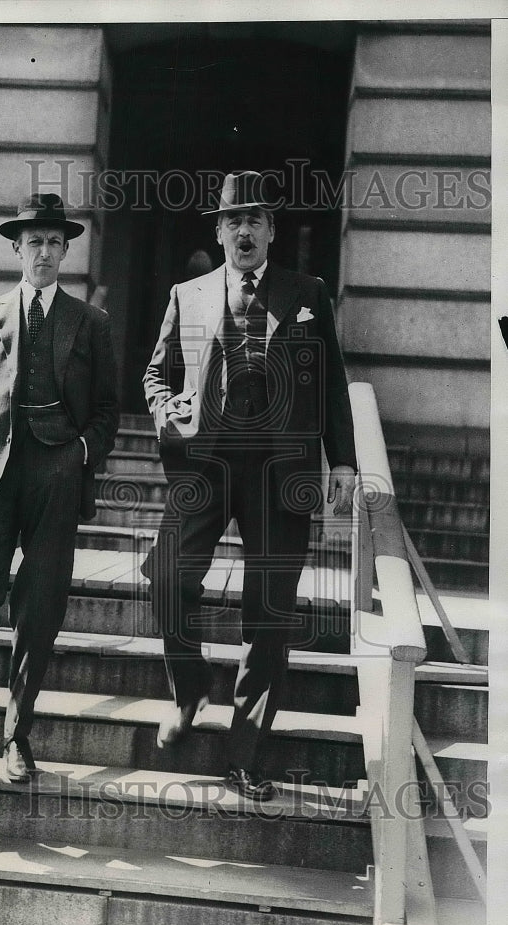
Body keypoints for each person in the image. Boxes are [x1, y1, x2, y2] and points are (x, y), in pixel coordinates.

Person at [142, 171, 356, 802]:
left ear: (271, 231)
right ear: (219, 229)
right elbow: (156, 373)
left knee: (269, 613)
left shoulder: (308, 292)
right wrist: (165, 411)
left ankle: (244, 755)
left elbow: (335, 388)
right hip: (206, 465)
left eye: (256, 220)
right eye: (233, 220)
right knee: (167, 577)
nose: (244, 230)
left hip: (280, 471)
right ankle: (189, 690)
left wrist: (341, 462)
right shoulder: (189, 294)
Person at [0, 193, 119, 804]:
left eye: (55, 243)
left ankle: (17, 735)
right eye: (34, 242)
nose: (44, 252)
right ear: (18, 248)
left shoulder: (89, 323)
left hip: (55, 477)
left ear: (66, 251)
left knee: (39, 609)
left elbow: (110, 410)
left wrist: (81, 455)